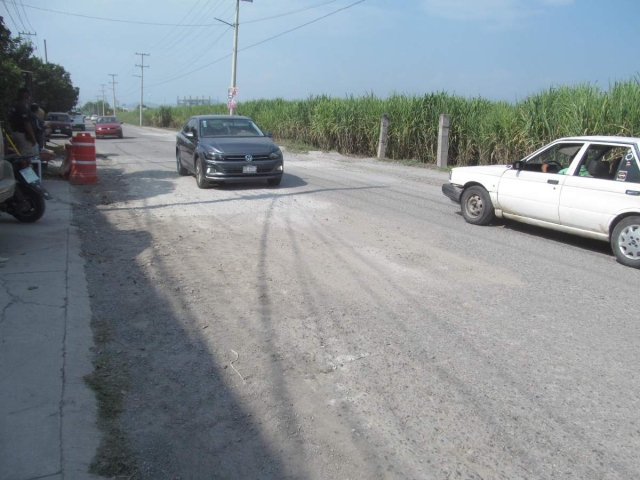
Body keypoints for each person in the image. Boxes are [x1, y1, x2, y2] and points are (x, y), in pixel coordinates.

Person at [8, 88, 38, 155]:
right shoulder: (22, 107)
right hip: (22, 135)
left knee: (20, 153)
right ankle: (26, 165)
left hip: (15, 132)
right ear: (26, 96)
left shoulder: (13, 105)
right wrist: (33, 138)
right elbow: (27, 124)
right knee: (27, 155)